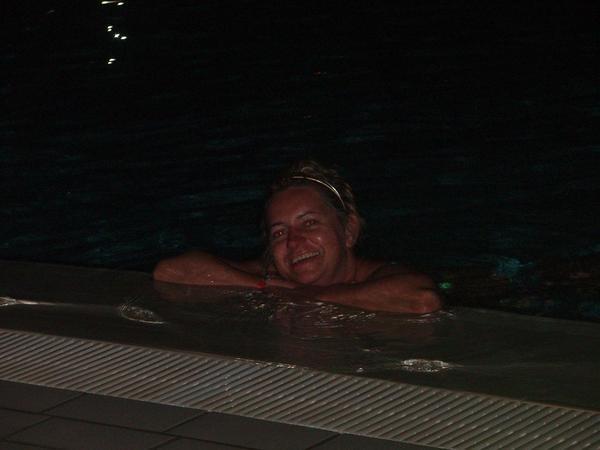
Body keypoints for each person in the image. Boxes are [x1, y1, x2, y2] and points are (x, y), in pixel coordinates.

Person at [153, 160, 442, 314]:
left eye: (310, 223)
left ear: (348, 230)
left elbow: (422, 299)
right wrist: (262, 286)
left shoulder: (377, 276)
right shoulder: (273, 278)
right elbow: (171, 271)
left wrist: (307, 296)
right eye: (279, 232)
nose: (293, 242)